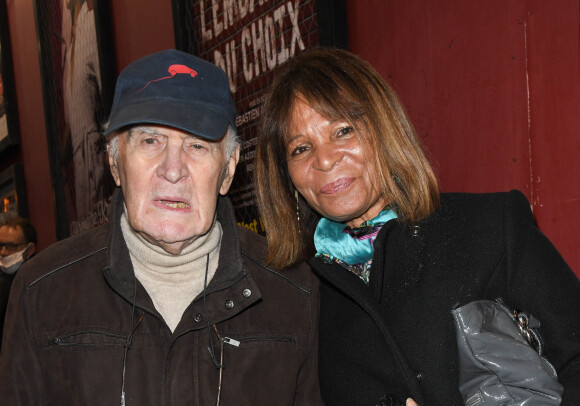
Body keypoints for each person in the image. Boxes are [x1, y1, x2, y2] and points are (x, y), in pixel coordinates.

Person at [255, 47, 580, 405]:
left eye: (343, 131)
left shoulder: (490, 229)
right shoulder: (294, 291)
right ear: (285, 174)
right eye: (300, 148)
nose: (325, 159)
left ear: (383, 129)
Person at [0, 49, 322, 405]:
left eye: (197, 145)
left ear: (228, 170)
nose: (173, 169)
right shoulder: (42, 291)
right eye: (150, 141)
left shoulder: (294, 292)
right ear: (114, 162)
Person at [0, 216, 36, 349]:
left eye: (11, 246)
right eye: (0, 246)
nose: (3, 252)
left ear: (29, 249)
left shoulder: (39, 281)